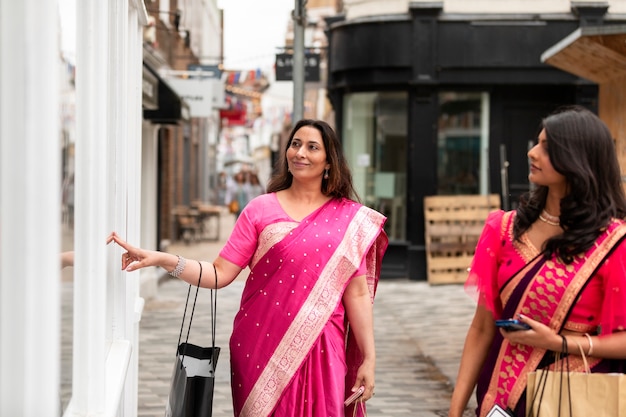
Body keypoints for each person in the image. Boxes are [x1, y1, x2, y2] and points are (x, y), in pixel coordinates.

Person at [109, 119, 388, 417]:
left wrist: (368, 358)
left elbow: (357, 294)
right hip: (260, 346)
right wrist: (164, 260)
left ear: (329, 161)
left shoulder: (348, 219)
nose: (300, 153)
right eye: (295, 144)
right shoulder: (259, 209)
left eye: (312, 147)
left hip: (323, 345)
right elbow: (219, 273)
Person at [448, 105, 626, 417]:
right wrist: (455, 410)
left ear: (578, 158)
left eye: (547, 147)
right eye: (537, 142)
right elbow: (481, 329)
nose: (532, 153)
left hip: (574, 399)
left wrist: (560, 342)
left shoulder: (614, 243)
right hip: (498, 399)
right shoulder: (502, 229)